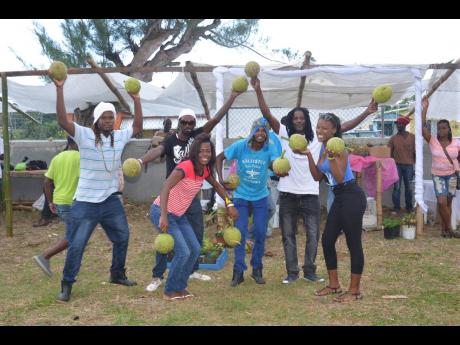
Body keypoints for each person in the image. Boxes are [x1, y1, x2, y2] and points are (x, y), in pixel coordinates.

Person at [251, 77, 378, 284]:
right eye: (295, 118)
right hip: (288, 193)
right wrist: (258, 90)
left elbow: (341, 126)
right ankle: (292, 272)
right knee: (288, 235)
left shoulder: (317, 139)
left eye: (302, 118)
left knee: (313, 235)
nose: (299, 120)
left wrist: (366, 112)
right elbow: (267, 114)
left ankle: (310, 270)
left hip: (310, 193)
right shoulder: (284, 134)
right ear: (291, 121)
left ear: (307, 120)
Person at [140, 90, 243, 292]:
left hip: (190, 196)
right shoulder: (170, 141)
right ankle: (157, 275)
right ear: (179, 123)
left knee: (196, 234)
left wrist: (233, 96)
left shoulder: (199, 139)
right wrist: (140, 160)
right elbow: (158, 151)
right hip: (172, 194)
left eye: (190, 122)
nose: (187, 125)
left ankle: (191, 269)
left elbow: (216, 119)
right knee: (166, 238)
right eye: (184, 122)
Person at [52, 75, 143, 302]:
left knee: (122, 236)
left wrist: (137, 99)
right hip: (85, 202)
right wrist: (59, 90)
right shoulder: (83, 135)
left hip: (111, 200)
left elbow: (139, 126)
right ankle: (67, 284)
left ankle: (117, 273)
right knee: (77, 243)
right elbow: (63, 121)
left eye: (111, 117)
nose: (108, 121)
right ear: (96, 119)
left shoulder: (119, 137)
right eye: (104, 117)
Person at [151, 133, 238, 300]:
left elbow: (217, 186)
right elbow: (165, 187)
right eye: (201, 151)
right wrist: (163, 216)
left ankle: (180, 287)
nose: (205, 154)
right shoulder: (186, 167)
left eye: (208, 151)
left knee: (195, 249)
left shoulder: (204, 169)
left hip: (179, 215)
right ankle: (170, 291)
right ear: (195, 152)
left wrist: (229, 204)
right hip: (163, 212)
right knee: (183, 252)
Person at [301, 112, 367, 302]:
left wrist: (331, 157)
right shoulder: (323, 148)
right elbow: (316, 177)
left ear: (334, 130)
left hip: (352, 197)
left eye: (324, 128)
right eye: (318, 127)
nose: (320, 131)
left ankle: (354, 291)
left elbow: (339, 177)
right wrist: (308, 156)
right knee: (328, 240)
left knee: (353, 244)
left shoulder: (340, 149)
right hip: (339, 197)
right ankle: (334, 285)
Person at [216, 117, 280, 287]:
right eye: (257, 130)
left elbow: (275, 165)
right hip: (241, 196)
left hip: (260, 196)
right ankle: (238, 272)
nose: (260, 133)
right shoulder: (240, 146)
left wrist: (280, 168)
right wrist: (221, 179)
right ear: (252, 131)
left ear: (267, 134)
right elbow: (219, 157)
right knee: (240, 233)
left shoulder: (269, 149)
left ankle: (257, 269)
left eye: (264, 131)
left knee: (260, 231)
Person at [33, 136, 80, 277]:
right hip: (74, 203)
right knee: (74, 235)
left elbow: (47, 182)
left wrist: (50, 202)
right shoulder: (82, 158)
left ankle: (73, 262)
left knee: (76, 234)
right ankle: (45, 256)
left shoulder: (58, 158)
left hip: (59, 202)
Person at [422, 97, 460, 238]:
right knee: (441, 201)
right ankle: (450, 229)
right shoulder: (433, 141)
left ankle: (444, 230)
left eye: (444, 128)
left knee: (448, 203)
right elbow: (421, 127)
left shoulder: (456, 142)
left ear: (449, 129)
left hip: (452, 175)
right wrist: (424, 108)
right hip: (438, 175)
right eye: (439, 128)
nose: (441, 130)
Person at [388, 116, 416, 213]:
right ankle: (396, 207)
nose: (398, 126)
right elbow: (389, 153)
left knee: (409, 188)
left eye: (400, 124)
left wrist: (415, 167)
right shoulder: (393, 139)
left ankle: (409, 207)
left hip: (409, 165)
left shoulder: (412, 137)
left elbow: (416, 153)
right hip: (397, 166)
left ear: (405, 125)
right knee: (397, 187)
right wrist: (390, 166)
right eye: (397, 124)